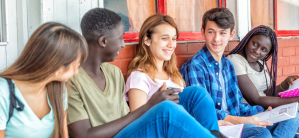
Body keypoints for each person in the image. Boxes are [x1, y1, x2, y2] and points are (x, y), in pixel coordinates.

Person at [67, 8, 225, 138]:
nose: (123, 44)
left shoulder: (113, 72)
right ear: (103, 41)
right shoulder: (71, 79)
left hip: (125, 132)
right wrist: (150, 106)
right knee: (166, 112)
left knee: (196, 94)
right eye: (121, 38)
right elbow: (84, 135)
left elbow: (127, 119)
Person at [125, 13, 271, 138]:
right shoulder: (140, 77)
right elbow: (139, 124)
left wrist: (213, 122)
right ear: (147, 40)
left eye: (174, 38)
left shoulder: (174, 76)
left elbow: (189, 114)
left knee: (281, 122)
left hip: (192, 128)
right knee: (198, 93)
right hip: (167, 130)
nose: (171, 44)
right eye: (164, 38)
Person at [180, 7, 299, 138]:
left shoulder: (227, 66)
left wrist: (260, 112)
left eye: (223, 33)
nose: (216, 39)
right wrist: (246, 120)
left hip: (238, 122)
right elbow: (203, 113)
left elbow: (236, 105)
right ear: (202, 32)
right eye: (211, 32)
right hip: (217, 128)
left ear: (231, 35)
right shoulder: (195, 66)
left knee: (291, 118)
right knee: (262, 133)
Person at [0, 22, 88, 138]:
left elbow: (63, 135)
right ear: (58, 66)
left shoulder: (59, 90)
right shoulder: (3, 92)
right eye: (77, 65)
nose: (77, 71)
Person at [227, 25, 299, 108]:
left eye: (263, 50)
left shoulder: (260, 62)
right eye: (254, 44)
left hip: (267, 110)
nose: (257, 51)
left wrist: (285, 84)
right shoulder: (234, 60)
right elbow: (255, 100)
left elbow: (267, 92)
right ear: (247, 39)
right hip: (249, 113)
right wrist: (296, 100)